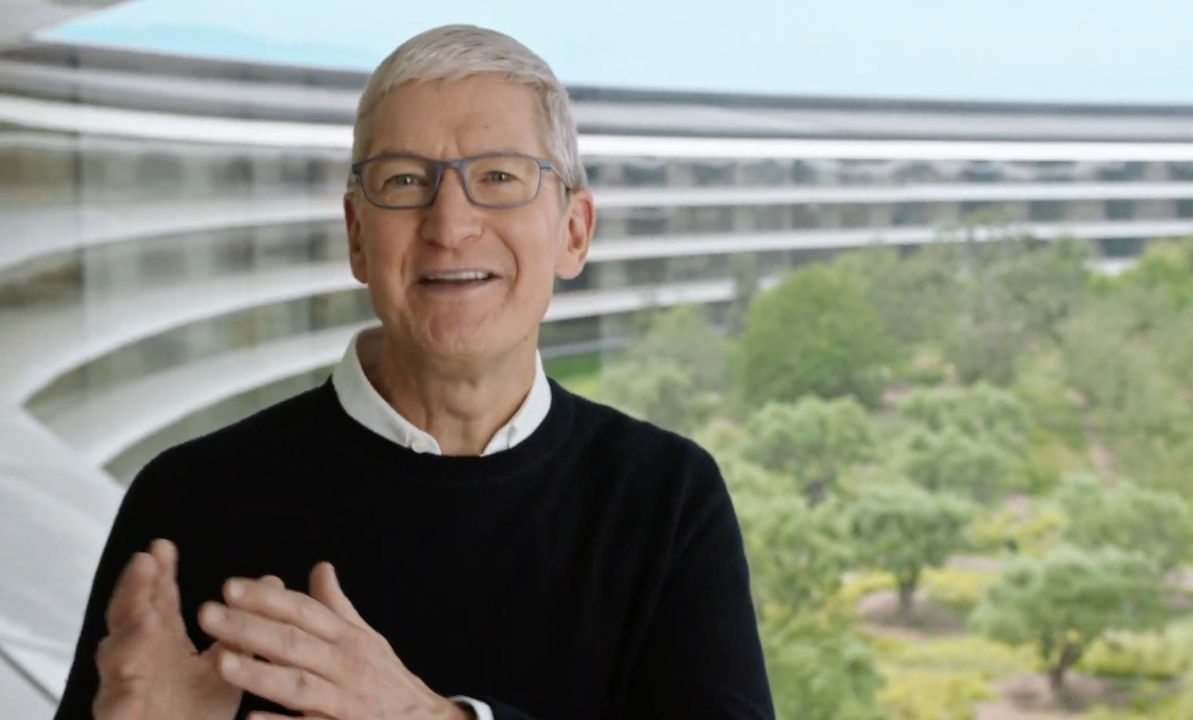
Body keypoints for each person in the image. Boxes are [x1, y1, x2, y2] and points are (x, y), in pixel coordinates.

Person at [53, 23, 774, 720]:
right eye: (404, 180)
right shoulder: (188, 501)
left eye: (498, 176)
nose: (450, 224)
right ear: (357, 236)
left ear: (574, 232)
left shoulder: (667, 500)